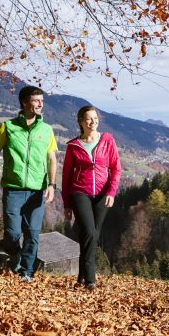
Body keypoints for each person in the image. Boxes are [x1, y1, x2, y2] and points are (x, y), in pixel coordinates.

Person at [0, 85, 58, 282]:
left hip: (36, 192)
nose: (40, 104)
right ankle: (15, 258)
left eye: (42, 100)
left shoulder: (47, 130)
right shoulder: (7, 127)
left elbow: (52, 159)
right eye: (36, 100)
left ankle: (27, 272)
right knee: (12, 233)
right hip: (13, 190)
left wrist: (52, 185)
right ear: (24, 103)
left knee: (33, 234)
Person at [61, 105, 121, 290]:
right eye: (88, 118)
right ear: (81, 121)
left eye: (95, 118)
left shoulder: (107, 140)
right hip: (80, 191)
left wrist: (111, 192)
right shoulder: (73, 146)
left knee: (91, 236)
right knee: (90, 232)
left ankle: (80, 276)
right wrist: (67, 204)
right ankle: (91, 280)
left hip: (103, 194)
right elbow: (66, 175)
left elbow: (116, 168)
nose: (93, 121)